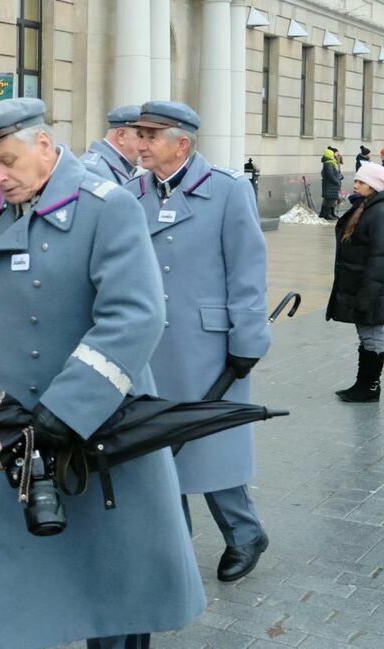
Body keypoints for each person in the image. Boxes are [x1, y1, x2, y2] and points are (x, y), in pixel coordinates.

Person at [0, 98, 203, 649]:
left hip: (94, 431)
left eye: (8, 162)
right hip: (4, 431)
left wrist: (67, 410)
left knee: (110, 585)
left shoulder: (108, 208)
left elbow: (135, 317)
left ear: (45, 147)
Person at [127, 101, 271, 583]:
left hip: (208, 347)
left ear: (181, 143)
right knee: (157, 445)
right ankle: (175, 543)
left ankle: (245, 533)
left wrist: (247, 340)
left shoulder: (229, 191)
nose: (140, 144)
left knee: (211, 443)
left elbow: (247, 269)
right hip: (149, 347)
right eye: (138, 134)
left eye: (150, 135)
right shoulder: (132, 193)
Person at [326, 162, 384, 402]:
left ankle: (370, 387)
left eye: (361, 182)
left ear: (375, 186)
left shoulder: (383, 212)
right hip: (362, 284)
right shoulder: (366, 208)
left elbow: (380, 257)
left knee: (372, 335)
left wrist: (367, 295)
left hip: (372, 286)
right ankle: (363, 383)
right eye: (356, 180)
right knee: (365, 334)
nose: (355, 184)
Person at [80, 104, 142, 185]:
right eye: (141, 136)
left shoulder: (110, 166)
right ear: (121, 136)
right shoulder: (94, 170)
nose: (145, 145)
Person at [320, 146, 343, 220]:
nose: (335, 155)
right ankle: (327, 214)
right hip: (331, 185)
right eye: (334, 154)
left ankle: (329, 213)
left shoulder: (331, 163)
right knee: (330, 200)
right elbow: (331, 175)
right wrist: (337, 181)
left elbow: (335, 173)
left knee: (331, 200)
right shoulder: (329, 164)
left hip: (332, 185)